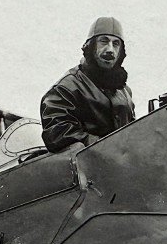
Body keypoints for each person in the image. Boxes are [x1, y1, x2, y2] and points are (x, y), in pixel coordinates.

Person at [40, 16, 136, 153]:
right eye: (104, 41)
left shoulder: (125, 92)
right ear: (91, 46)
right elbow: (57, 134)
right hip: (89, 164)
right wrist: (107, 147)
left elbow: (133, 131)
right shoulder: (65, 89)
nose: (110, 49)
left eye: (116, 44)